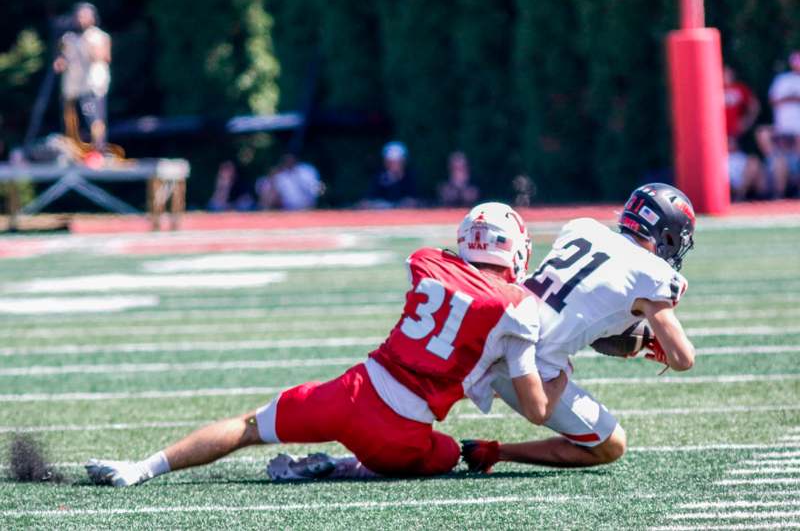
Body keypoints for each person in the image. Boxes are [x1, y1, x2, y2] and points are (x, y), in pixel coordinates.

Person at [85, 202, 568, 486]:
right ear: (517, 250)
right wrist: (561, 368)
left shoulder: (426, 260)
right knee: (448, 454)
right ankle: (341, 466)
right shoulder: (515, 306)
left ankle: (139, 469)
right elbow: (537, 410)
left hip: (349, 394)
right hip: (401, 433)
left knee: (250, 425)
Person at [462, 183, 697, 472]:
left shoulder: (583, 228)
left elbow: (584, 302)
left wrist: (641, 335)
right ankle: (495, 452)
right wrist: (661, 341)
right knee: (612, 445)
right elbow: (683, 360)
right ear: (668, 236)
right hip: (529, 368)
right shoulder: (655, 273)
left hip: (491, 327)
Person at [53, 2, 111, 151]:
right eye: (78, 16)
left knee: (94, 120)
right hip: (73, 87)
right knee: (71, 121)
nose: (80, 20)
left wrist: (88, 44)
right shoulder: (69, 38)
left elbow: (103, 57)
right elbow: (64, 59)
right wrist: (60, 63)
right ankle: (74, 152)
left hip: (92, 85)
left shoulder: (99, 36)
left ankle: (99, 150)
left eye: (84, 16)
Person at [360, 141, 418, 208]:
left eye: (398, 162)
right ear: (385, 162)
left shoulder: (410, 177)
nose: (395, 165)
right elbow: (366, 202)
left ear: (404, 161)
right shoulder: (378, 178)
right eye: (391, 162)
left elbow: (416, 201)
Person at [255, 154, 322, 211]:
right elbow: (270, 197)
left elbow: (316, 190)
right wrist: (272, 179)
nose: (288, 160)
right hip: (287, 211)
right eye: (286, 159)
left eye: (290, 158)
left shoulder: (307, 170)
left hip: (308, 208)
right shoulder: (280, 176)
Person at [723, 65, 759, 141]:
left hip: (736, 133)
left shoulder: (741, 88)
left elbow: (754, 106)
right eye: (725, 73)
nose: (727, 75)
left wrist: (747, 121)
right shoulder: (714, 89)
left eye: (729, 73)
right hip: (719, 131)